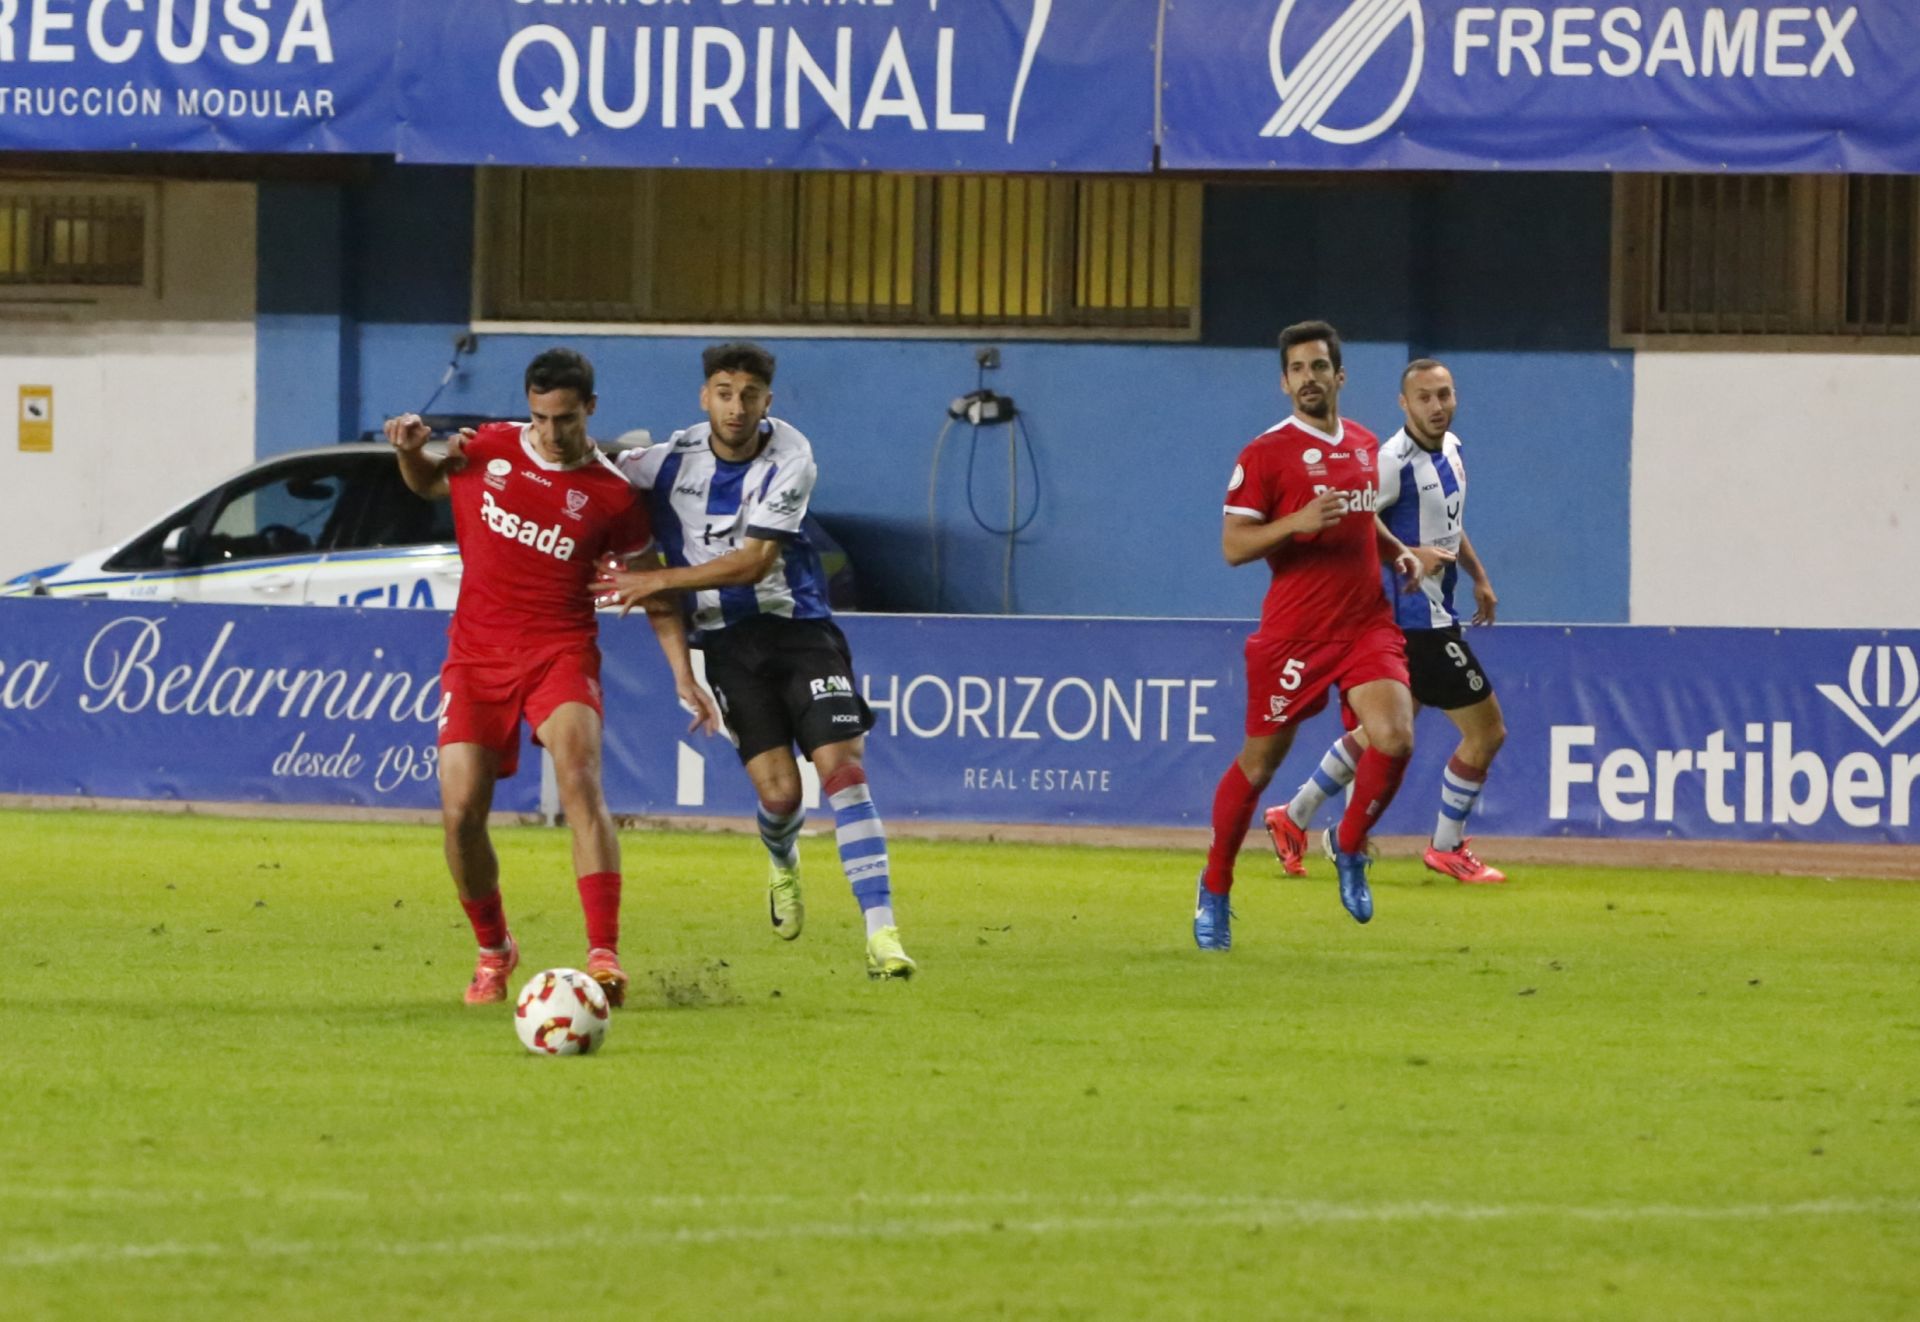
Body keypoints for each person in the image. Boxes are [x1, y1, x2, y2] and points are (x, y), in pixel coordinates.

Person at [387, 348, 719, 1007]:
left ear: (589, 409)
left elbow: (651, 591)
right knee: (459, 814)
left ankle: (603, 955)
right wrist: (408, 451)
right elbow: (428, 484)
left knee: (579, 778)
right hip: (476, 654)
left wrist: (684, 672)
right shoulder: (488, 447)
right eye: (541, 416)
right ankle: (494, 950)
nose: (550, 431)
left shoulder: (612, 496)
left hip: (558, 649)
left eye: (564, 419)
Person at [593, 342, 916, 981]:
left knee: (843, 771)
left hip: (802, 631)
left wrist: (659, 581)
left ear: (768, 400)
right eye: (723, 391)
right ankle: (783, 858)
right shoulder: (666, 461)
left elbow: (755, 562)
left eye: (748, 395)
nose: (735, 407)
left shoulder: (792, 457)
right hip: (728, 643)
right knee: (780, 794)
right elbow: (586, 461)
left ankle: (883, 935)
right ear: (704, 396)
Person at [1195, 320, 1445, 950]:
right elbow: (1233, 547)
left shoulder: (1363, 444)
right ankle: (1215, 889)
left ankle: (1350, 845)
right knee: (1258, 767)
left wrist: (1398, 552)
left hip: (1364, 624)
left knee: (1395, 735)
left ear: (1340, 375)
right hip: (1295, 636)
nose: (1309, 378)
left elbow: (1364, 520)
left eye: (1319, 367)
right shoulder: (1264, 454)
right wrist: (1296, 522)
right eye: (1297, 369)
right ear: (1285, 382)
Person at [1265, 359, 1509, 884]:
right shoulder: (1391, 461)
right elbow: (1355, 520)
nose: (1436, 406)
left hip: (1437, 613)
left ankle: (1295, 816)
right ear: (1404, 404)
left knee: (1379, 737)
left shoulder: (1455, 450)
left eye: (1444, 394)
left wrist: (1478, 576)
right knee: (1487, 733)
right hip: (1414, 623)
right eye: (1424, 397)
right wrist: (1407, 552)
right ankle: (1447, 846)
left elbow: (1451, 524)